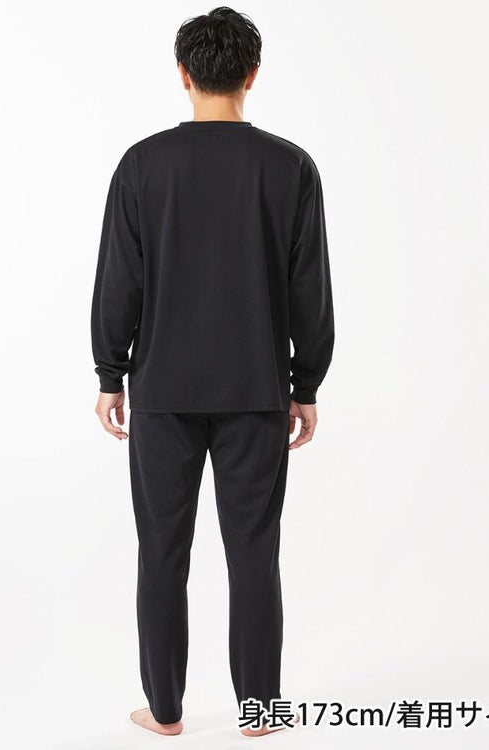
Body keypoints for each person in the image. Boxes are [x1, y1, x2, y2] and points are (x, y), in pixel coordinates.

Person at [90, 5, 335, 738]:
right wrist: (306, 384)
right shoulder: (289, 167)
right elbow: (309, 289)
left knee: (162, 554)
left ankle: (165, 712)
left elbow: (119, 281)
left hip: (162, 391)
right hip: (255, 391)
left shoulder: (143, 165)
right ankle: (259, 712)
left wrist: (110, 374)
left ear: (183, 74)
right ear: (252, 75)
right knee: (254, 555)